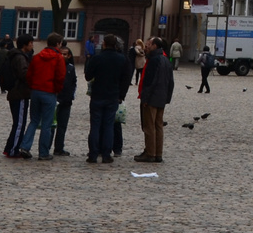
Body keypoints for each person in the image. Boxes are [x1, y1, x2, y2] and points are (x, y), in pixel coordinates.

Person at [84, 35, 131, 164]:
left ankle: (93, 154)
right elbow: (126, 79)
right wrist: (121, 95)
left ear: (104, 44)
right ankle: (106, 154)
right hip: (113, 96)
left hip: (98, 95)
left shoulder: (97, 58)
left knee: (95, 125)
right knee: (109, 125)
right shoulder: (122, 59)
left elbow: (88, 76)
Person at [21, 32, 66, 161]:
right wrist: (56, 90)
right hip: (49, 91)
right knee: (47, 124)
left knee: (34, 121)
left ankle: (25, 146)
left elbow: (29, 75)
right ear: (58, 44)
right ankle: (43, 152)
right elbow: (60, 77)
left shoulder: (37, 56)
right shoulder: (58, 58)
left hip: (36, 91)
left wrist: (33, 86)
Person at [135, 37, 174, 164]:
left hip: (151, 98)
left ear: (155, 46)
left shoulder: (154, 60)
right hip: (161, 98)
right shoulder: (166, 59)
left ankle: (150, 153)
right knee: (158, 126)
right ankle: (158, 153)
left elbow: (149, 81)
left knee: (149, 126)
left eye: (149, 45)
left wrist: (145, 98)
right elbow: (170, 82)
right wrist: (167, 98)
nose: (146, 47)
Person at [0, 35, 33, 159]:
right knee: (19, 124)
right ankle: (13, 149)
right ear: (25, 45)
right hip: (19, 93)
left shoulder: (15, 55)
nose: (32, 46)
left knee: (18, 123)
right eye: (30, 43)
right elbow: (24, 74)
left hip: (16, 92)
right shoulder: (20, 57)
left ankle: (10, 147)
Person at [52, 39, 77, 157]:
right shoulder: (54, 65)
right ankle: (46, 147)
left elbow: (73, 82)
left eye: (65, 54)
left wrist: (71, 95)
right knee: (52, 125)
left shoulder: (71, 68)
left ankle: (59, 148)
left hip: (66, 100)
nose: (62, 56)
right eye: (61, 53)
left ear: (69, 56)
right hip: (55, 98)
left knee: (62, 126)